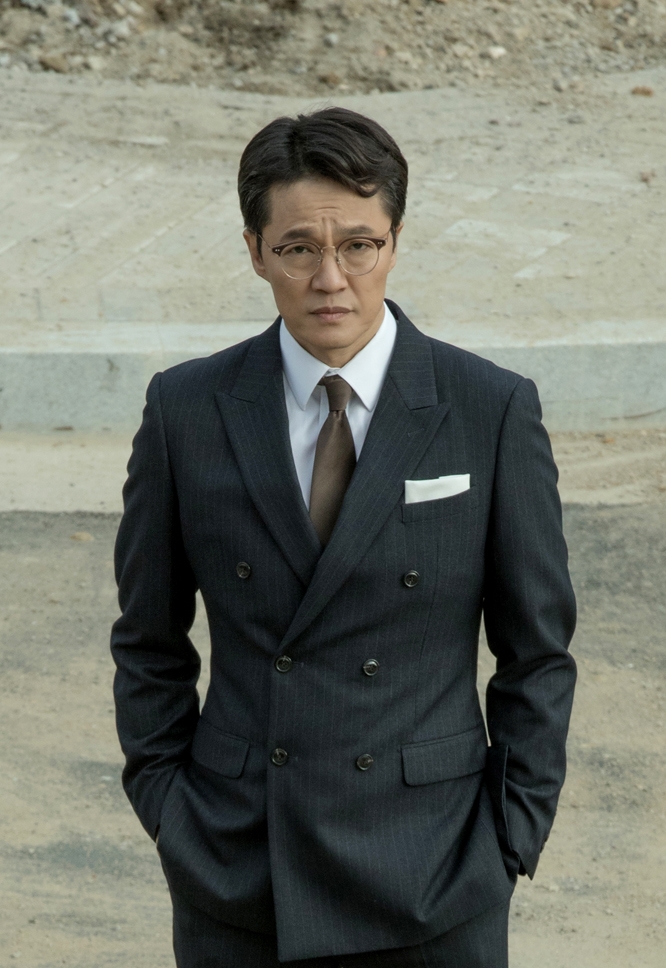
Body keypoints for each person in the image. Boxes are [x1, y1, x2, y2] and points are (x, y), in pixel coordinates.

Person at [111, 107, 576, 968]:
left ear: (394, 243)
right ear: (256, 252)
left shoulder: (490, 408)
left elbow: (537, 652)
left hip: (436, 870)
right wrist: (170, 807)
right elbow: (148, 639)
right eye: (298, 248)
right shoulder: (185, 411)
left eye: (358, 245)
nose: (331, 278)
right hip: (240, 866)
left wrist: (510, 835)